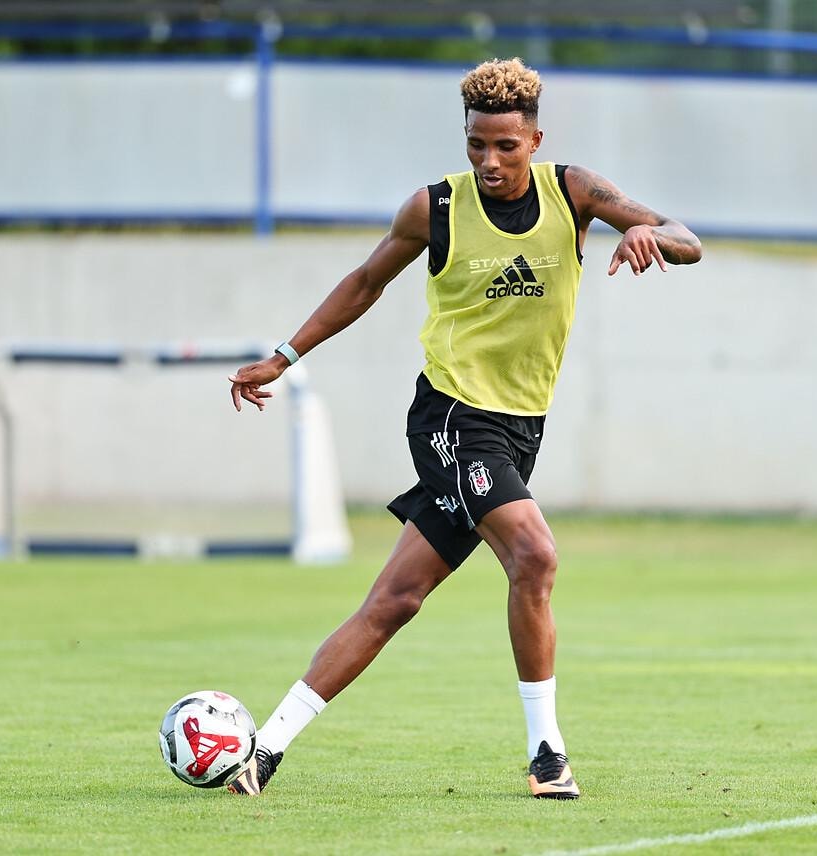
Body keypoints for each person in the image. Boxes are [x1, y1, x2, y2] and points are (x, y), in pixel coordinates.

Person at [226, 57, 701, 800]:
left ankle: (263, 750)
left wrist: (651, 238)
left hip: (518, 431)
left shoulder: (575, 192)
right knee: (535, 556)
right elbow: (365, 283)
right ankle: (548, 755)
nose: (490, 161)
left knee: (396, 601)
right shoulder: (435, 208)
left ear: (535, 141)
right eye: (477, 144)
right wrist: (284, 356)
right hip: (451, 417)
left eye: (506, 146)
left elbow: (686, 237)